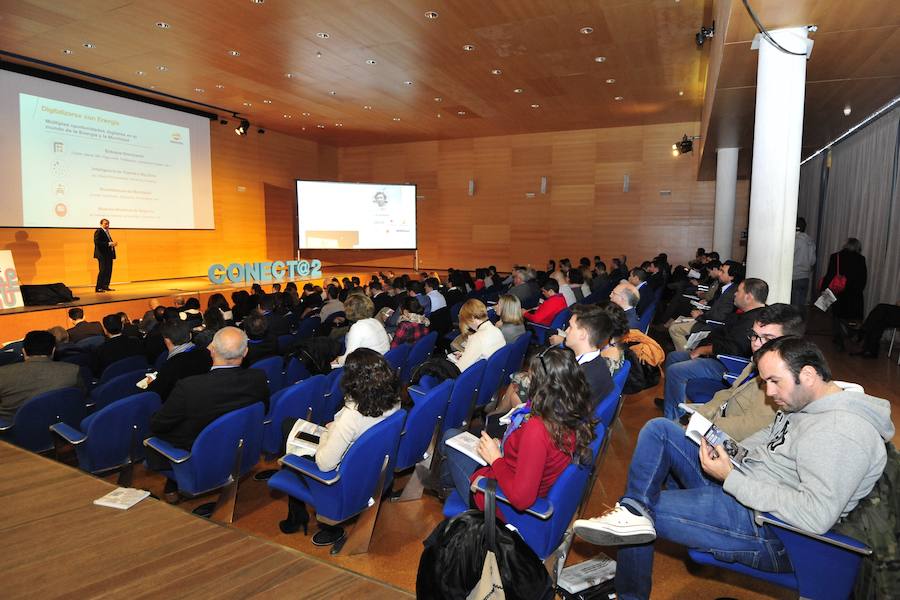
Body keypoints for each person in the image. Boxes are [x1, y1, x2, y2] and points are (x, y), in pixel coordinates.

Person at [572, 337, 894, 600]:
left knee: (644, 512)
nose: (768, 392)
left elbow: (815, 515)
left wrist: (731, 477)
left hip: (770, 529)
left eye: (773, 381)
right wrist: (725, 447)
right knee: (660, 431)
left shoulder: (840, 432)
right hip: (747, 485)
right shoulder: (805, 401)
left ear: (807, 375)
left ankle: (631, 575)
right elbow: (767, 441)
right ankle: (633, 511)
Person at [440, 347, 596, 517]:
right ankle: (445, 485)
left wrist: (496, 459)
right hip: (511, 474)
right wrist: (504, 448)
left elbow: (521, 500)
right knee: (454, 442)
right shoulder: (570, 413)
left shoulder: (538, 428)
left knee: (449, 437)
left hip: (495, 500)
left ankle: (444, 487)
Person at [278, 348, 402, 542]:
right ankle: (296, 514)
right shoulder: (394, 401)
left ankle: (305, 517)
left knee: (289, 440)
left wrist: (329, 431)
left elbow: (325, 464)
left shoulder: (351, 417)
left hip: (343, 472)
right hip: (372, 465)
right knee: (290, 425)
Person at [148, 327, 270, 501]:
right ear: (246, 351)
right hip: (241, 448)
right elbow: (264, 409)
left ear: (211, 349)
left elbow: (158, 424)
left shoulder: (189, 387)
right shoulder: (258, 377)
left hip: (202, 456)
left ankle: (175, 479)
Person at [680, 303, 806, 441]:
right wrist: (701, 415)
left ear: (789, 342)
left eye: (768, 338)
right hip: (716, 425)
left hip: (726, 443)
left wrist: (704, 425)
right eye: (754, 335)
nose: (756, 344)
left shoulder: (782, 382)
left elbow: (750, 427)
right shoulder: (757, 362)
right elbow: (729, 392)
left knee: (660, 429)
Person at [659, 278, 768, 419]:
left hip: (728, 364)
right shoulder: (743, 314)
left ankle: (673, 417)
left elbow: (733, 348)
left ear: (748, 296)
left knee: (676, 371)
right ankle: (673, 401)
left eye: (738, 291)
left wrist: (704, 350)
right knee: (674, 357)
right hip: (716, 354)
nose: (735, 294)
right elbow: (722, 333)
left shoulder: (756, 321)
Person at [0, 330, 84, 422]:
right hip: (61, 429)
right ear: (53, 351)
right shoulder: (73, 370)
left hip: (11, 434)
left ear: (23, 352)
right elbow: (81, 397)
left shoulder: (3, 374)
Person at [546, 304, 614, 410]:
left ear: (582, 334)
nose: (567, 331)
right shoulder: (598, 363)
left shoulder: (580, 380)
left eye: (571, 327)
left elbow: (558, 413)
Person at [820, 237, 868, 350]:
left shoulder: (835, 256)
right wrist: (858, 290)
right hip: (854, 293)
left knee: (836, 316)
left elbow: (830, 275)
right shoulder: (861, 259)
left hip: (837, 291)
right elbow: (863, 278)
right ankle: (854, 334)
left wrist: (823, 289)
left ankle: (839, 340)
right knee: (851, 317)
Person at [146, 321, 212, 401]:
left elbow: (156, 393)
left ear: (166, 340)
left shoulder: (170, 366)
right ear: (190, 335)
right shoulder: (206, 352)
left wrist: (150, 384)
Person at [449, 299, 506, 373]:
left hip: (481, 377)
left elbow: (459, 369)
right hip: (496, 372)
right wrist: (465, 354)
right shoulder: (497, 330)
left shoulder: (476, 338)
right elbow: (486, 353)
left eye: (466, 321)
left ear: (472, 318)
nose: (467, 325)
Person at [334, 293, 390, 365]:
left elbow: (348, 359)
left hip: (369, 367)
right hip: (381, 362)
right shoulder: (375, 321)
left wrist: (337, 360)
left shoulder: (358, 327)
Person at [791, 217, 816, 308]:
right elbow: (813, 261)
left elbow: (788, 257)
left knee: (793, 308)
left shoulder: (795, 241)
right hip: (805, 277)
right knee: (801, 307)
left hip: (794, 276)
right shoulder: (810, 241)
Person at [93, 218, 117, 292]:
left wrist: (112, 244)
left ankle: (105, 286)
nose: (107, 225)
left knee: (108, 270)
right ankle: (99, 287)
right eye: (105, 223)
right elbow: (97, 242)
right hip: (102, 255)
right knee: (103, 271)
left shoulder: (107, 232)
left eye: (108, 223)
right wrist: (109, 243)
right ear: (101, 224)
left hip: (108, 255)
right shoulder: (99, 231)